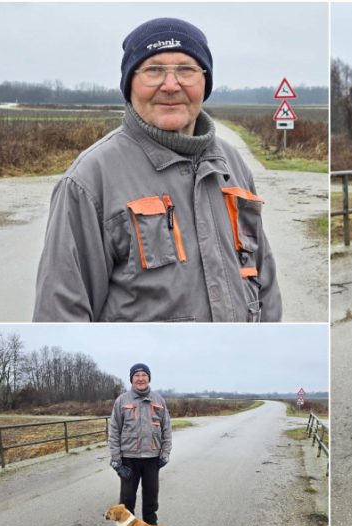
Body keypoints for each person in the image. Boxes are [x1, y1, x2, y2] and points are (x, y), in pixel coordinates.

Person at [33, 17, 281, 322]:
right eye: (153, 70)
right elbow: (60, 314)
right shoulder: (89, 180)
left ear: (205, 81)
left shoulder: (232, 164)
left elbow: (264, 280)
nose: (171, 85)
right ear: (129, 84)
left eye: (186, 70)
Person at [109, 363, 171, 526]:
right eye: (137, 375)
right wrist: (116, 459)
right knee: (127, 497)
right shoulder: (122, 400)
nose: (141, 378)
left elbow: (167, 429)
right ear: (131, 379)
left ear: (149, 378)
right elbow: (114, 430)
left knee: (151, 495)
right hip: (129, 458)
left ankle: (150, 525)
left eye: (144, 375)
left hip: (152, 457)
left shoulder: (159, 400)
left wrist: (165, 453)